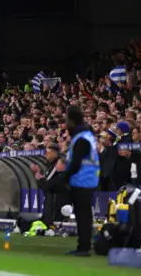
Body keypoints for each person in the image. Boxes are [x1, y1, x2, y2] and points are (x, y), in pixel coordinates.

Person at [64, 106, 99, 257]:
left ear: (71, 120)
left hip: (83, 179)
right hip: (86, 179)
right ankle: (83, 246)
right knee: (83, 214)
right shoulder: (85, 135)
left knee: (83, 215)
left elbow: (76, 162)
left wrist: (64, 177)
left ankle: (84, 247)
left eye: (66, 119)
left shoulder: (82, 138)